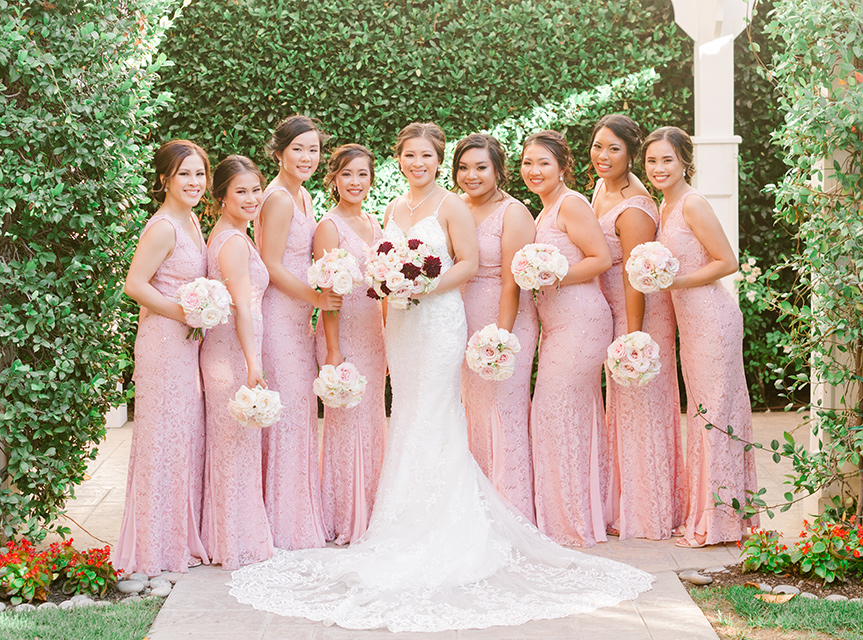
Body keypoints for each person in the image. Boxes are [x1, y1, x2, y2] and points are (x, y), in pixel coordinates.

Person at [228, 123, 653, 633]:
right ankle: (399, 521)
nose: (417, 164)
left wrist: (426, 287)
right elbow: (380, 269)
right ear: (400, 159)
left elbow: (470, 265)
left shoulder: (450, 206)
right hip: (403, 325)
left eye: (427, 156)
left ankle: (447, 524)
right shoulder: (390, 208)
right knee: (406, 412)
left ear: (438, 160)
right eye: (409, 156)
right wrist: (390, 289)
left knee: (436, 411)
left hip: (438, 318)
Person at [643, 126, 759, 548]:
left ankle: (717, 523)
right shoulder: (665, 203)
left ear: (684, 162)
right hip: (690, 322)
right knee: (705, 413)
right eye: (652, 160)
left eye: (666, 160)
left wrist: (675, 280)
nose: (658, 168)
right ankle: (709, 515)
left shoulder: (692, 203)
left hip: (712, 317)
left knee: (714, 415)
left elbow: (727, 261)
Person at [115, 140, 210, 576]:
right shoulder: (163, 226)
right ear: (164, 179)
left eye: (200, 174)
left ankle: (177, 537)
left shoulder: (191, 218)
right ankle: (154, 546)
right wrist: (187, 311)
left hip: (186, 341)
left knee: (182, 436)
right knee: (162, 439)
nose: (194, 182)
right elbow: (135, 284)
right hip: (162, 342)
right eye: (184, 174)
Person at [588, 115, 685, 540]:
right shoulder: (600, 188)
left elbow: (635, 278)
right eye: (597, 146)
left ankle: (648, 512)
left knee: (641, 409)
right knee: (622, 411)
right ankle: (622, 503)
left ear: (630, 153)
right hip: (613, 313)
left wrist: (633, 337)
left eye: (613, 149)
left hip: (639, 317)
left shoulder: (636, 206)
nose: (603, 156)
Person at [523, 130, 613, 546]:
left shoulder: (571, 204)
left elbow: (601, 259)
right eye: (527, 162)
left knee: (556, 413)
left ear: (562, 167)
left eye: (543, 162)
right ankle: (571, 513)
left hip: (581, 322)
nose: (534, 170)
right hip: (556, 325)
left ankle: (570, 522)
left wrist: (552, 274)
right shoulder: (542, 213)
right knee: (562, 416)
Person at [255, 115, 339, 550]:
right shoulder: (279, 199)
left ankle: (295, 513)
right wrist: (317, 296)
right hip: (277, 318)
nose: (307, 158)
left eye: (314, 149)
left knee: (299, 413)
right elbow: (270, 265)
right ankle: (281, 523)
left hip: (295, 318)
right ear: (279, 152)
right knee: (287, 417)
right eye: (298, 149)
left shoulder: (302, 194)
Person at [453, 133, 538, 523]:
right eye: (464, 167)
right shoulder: (453, 207)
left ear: (498, 170)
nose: (471, 175)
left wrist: (501, 340)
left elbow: (512, 282)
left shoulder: (513, 213)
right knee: (471, 410)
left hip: (504, 319)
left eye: (481, 167)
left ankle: (510, 509)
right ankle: (474, 505)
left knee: (502, 409)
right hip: (460, 318)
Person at [199, 155, 275, 569]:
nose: (251, 199)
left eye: (255, 190)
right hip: (232, 353)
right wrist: (253, 364)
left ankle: (236, 534)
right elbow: (243, 307)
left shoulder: (234, 235)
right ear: (222, 197)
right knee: (235, 446)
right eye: (240, 192)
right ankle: (234, 541)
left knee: (237, 445)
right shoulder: (231, 242)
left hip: (234, 348)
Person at [313, 144, 387, 545]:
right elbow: (328, 297)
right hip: (344, 338)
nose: (355, 182)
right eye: (347, 175)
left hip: (373, 333)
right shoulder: (329, 226)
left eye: (362, 174)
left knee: (373, 419)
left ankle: (373, 508)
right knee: (346, 422)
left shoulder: (374, 224)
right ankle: (344, 513)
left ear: (371, 178)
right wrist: (333, 349)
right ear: (334, 179)